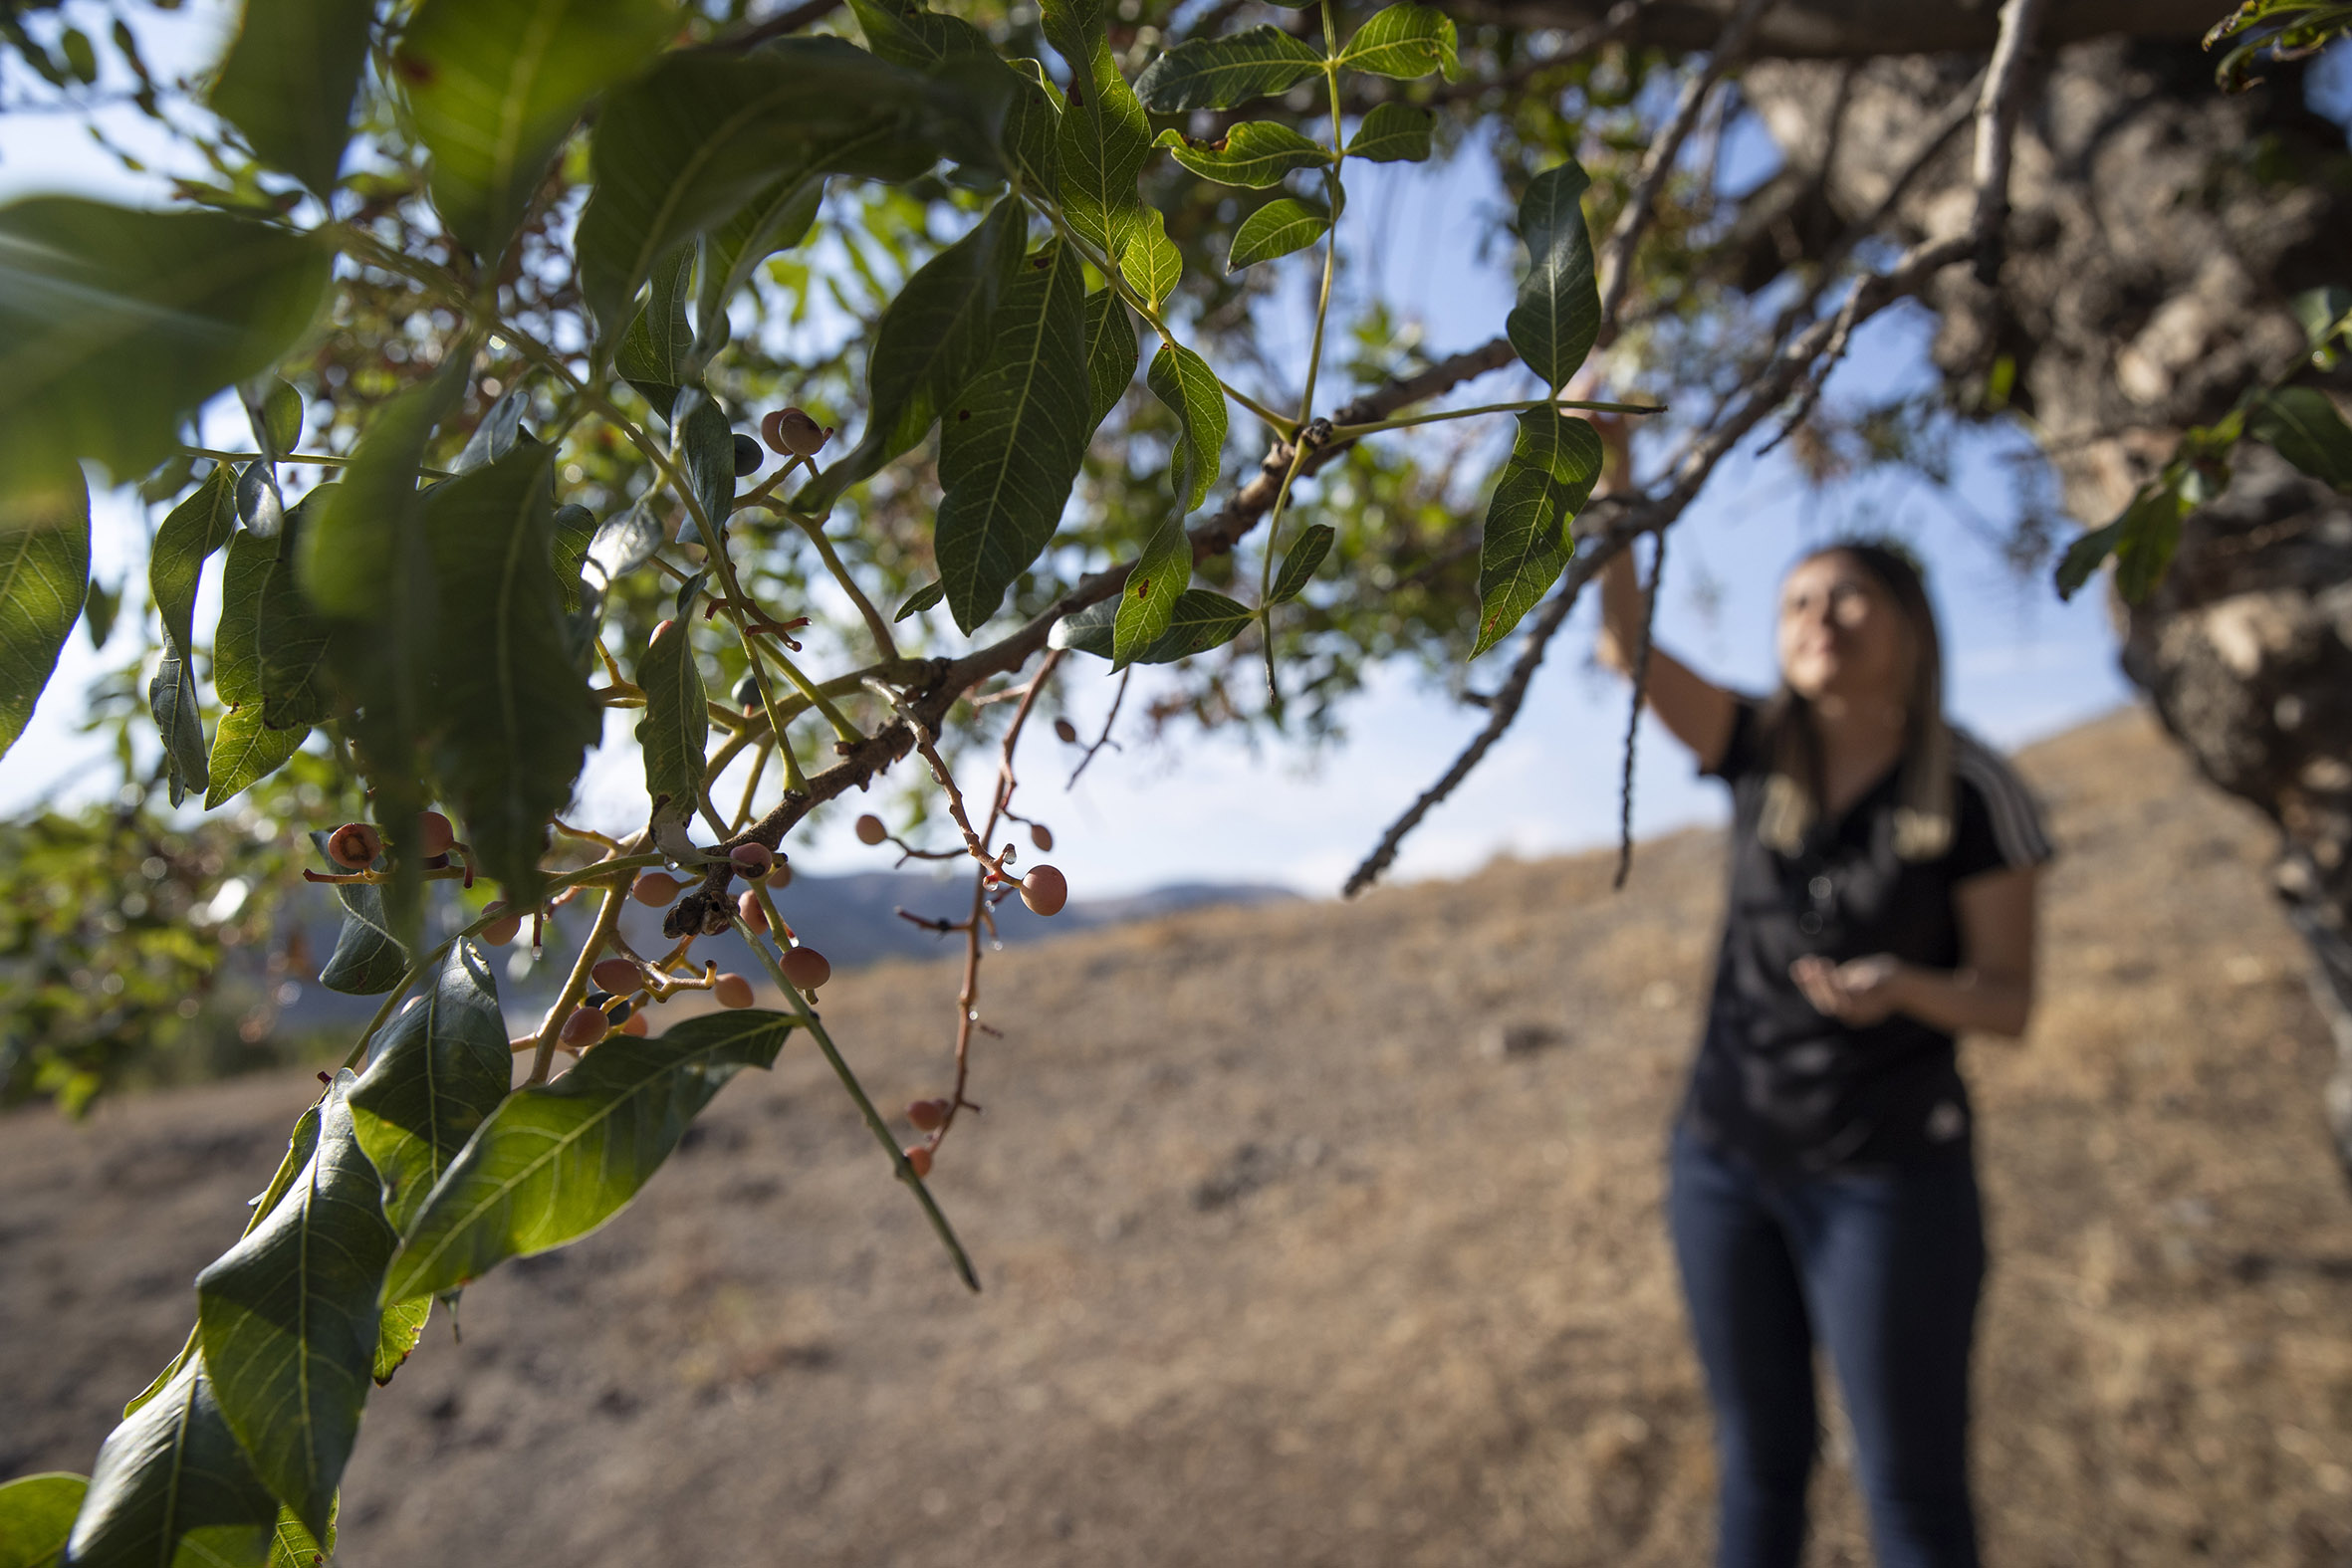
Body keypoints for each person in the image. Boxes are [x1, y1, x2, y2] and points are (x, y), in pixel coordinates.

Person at [1596, 530, 2052, 1568]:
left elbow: (2009, 1002)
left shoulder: (1976, 792)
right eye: (1796, 603)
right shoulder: (1758, 747)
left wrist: (1905, 988)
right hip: (1722, 1164)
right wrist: (1604, 478)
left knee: (1909, 1489)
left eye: (1847, 599)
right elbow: (1626, 646)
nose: (1817, 620)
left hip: (1887, 1182)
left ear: (1909, 627)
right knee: (1758, 1463)